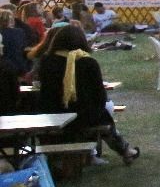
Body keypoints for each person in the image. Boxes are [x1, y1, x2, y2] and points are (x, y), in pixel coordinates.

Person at [36, 23, 139, 164]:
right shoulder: (88, 62)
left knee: (100, 114)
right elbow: (100, 96)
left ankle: (106, 152)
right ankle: (123, 151)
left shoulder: (46, 61)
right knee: (103, 116)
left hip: (52, 112)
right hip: (82, 115)